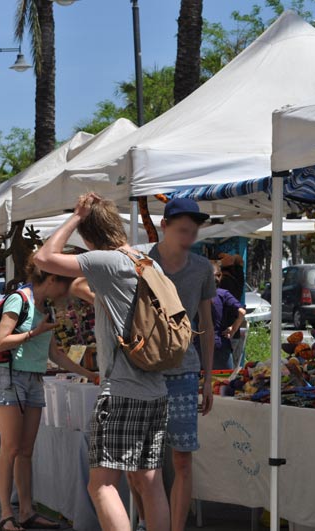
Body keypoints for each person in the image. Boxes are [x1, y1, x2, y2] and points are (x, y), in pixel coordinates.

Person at [35, 193, 171, 531]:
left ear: (89, 235)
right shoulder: (145, 261)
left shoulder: (108, 261)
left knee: (102, 485)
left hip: (122, 389)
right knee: (148, 484)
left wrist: (75, 217)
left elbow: (43, 257)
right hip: (154, 388)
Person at [0, 255, 98, 531]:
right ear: (51, 279)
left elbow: (54, 353)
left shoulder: (45, 306)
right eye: (63, 285)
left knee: (26, 450)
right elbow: (0, 343)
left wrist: (89, 374)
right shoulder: (20, 299)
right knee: (10, 448)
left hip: (34, 380)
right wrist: (33, 333)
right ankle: (6, 513)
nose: (65, 292)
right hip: (11, 378)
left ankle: (27, 510)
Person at [137, 197, 216, 531]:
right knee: (140, 462)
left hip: (184, 371)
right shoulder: (140, 263)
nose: (188, 234)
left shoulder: (201, 268)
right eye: (182, 228)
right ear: (165, 227)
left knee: (183, 458)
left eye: (193, 229)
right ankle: (147, 521)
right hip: (144, 372)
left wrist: (208, 378)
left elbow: (207, 324)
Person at [208, 263, 246, 370]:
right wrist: (233, 329)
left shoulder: (198, 295)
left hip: (200, 346)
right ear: (220, 276)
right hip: (220, 345)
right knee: (224, 382)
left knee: (201, 382)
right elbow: (242, 312)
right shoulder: (223, 294)